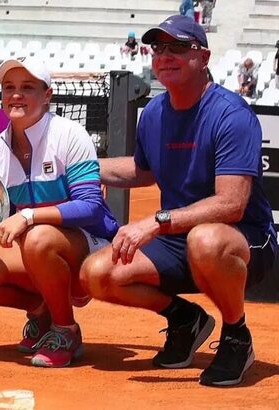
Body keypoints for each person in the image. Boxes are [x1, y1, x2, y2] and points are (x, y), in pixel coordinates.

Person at [79, 15, 277, 387]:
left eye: (178, 47)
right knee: (97, 274)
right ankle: (185, 318)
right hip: (178, 240)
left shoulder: (232, 114)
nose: (166, 55)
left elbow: (231, 205)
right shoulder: (154, 112)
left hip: (242, 238)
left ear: (203, 56)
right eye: (159, 48)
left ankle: (236, 336)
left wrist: (154, 222)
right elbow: (142, 171)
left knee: (206, 239)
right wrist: (85, 168)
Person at [0, 57, 119, 368]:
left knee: (37, 238)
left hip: (92, 250)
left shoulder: (70, 134)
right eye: (9, 87)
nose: (16, 95)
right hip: (39, 250)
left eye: (27, 88)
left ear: (47, 95)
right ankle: (43, 309)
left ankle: (65, 330)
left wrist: (28, 216)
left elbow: (91, 205)